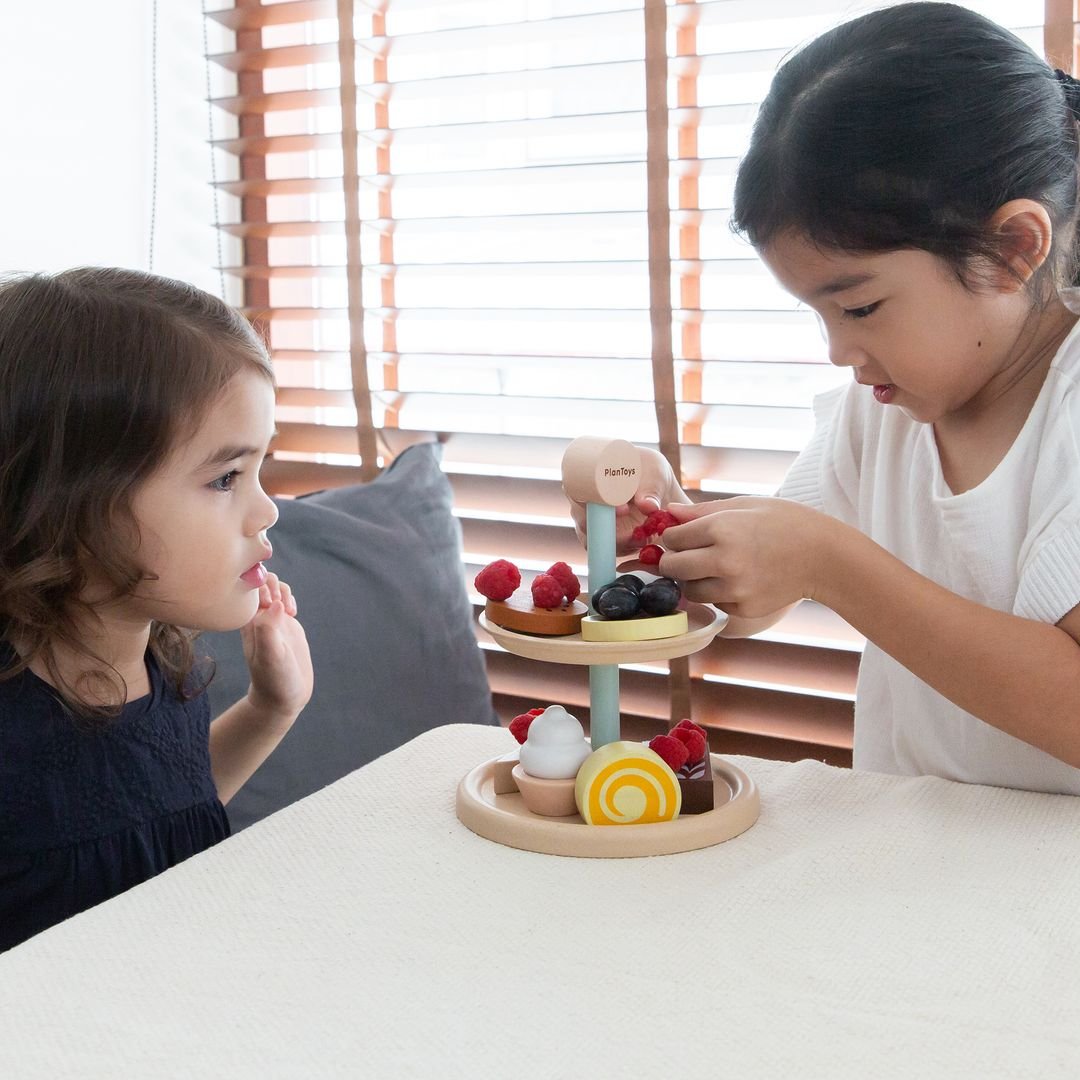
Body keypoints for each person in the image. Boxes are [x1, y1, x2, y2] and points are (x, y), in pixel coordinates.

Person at [570, 3, 1080, 795]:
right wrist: (679, 532)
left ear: (1014, 248)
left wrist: (832, 565)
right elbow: (760, 599)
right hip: (920, 871)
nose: (838, 351)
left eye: (860, 308)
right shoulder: (882, 409)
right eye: (816, 313)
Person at [0, 268, 313, 950]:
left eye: (260, 470)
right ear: (72, 503)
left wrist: (269, 710)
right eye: (226, 477)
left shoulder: (163, 665)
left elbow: (161, 823)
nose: (267, 509)